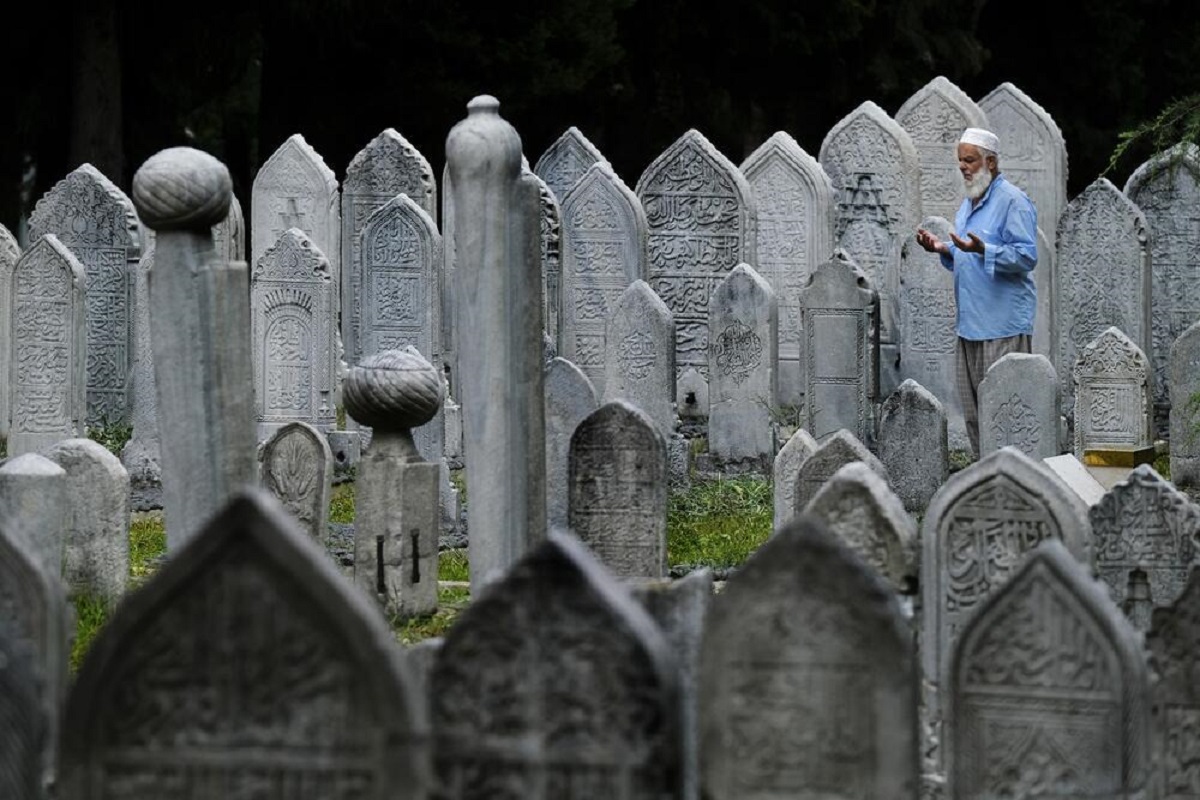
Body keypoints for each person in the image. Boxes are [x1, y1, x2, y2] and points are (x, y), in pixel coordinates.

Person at [914, 127, 1038, 457]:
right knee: (975, 415)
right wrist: (943, 248)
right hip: (969, 326)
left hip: (1003, 326)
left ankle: (1014, 479)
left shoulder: (1013, 201)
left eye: (969, 160)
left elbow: (1027, 256)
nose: (963, 167)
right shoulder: (969, 203)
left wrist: (987, 250)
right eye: (960, 161)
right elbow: (967, 256)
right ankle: (984, 480)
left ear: (991, 162)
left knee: (1005, 415)